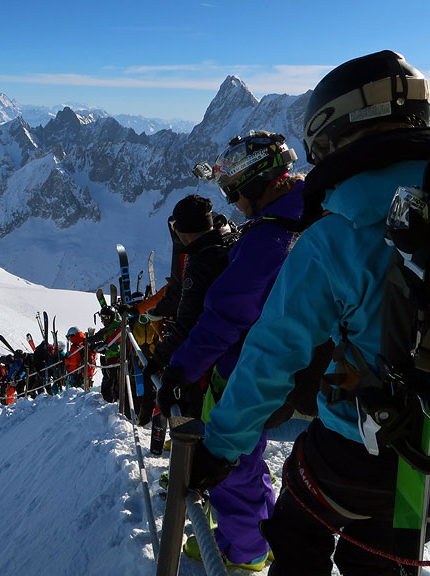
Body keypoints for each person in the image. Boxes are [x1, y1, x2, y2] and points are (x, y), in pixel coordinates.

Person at [185, 51, 430, 576]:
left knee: (296, 526)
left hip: (359, 447)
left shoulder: (336, 237)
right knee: (382, 556)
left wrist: (220, 448)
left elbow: (273, 353)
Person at [155, 129, 305, 570]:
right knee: (246, 458)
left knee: (227, 460)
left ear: (258, 183)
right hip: (287, 367)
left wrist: (180, 370)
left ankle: (244, 552)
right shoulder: (304, 213)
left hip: (247, 370)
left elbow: (225, 316)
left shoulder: (268, 239)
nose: (233, 202)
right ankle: (258, 533)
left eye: (234, 191)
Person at [142, 194, 237, 421]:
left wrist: (158, 359)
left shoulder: (201, 261)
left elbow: (188, 321)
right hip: (242, 351)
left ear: (183, 229)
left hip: (213, 358)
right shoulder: (229, 241)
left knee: (205, 421)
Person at [88, 306, 122, 404]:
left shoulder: (117, 327)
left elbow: (114, 344)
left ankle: (114, 403)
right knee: (107, 382)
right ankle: (108, 402)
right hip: (108, 360)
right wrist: (90, 341)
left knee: (114, 382)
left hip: (116, 360)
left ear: (112, 317)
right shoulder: (107, 328)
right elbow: (97, 337)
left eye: (105, 317)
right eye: (101, 317)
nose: (103, 320)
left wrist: (102, 348)